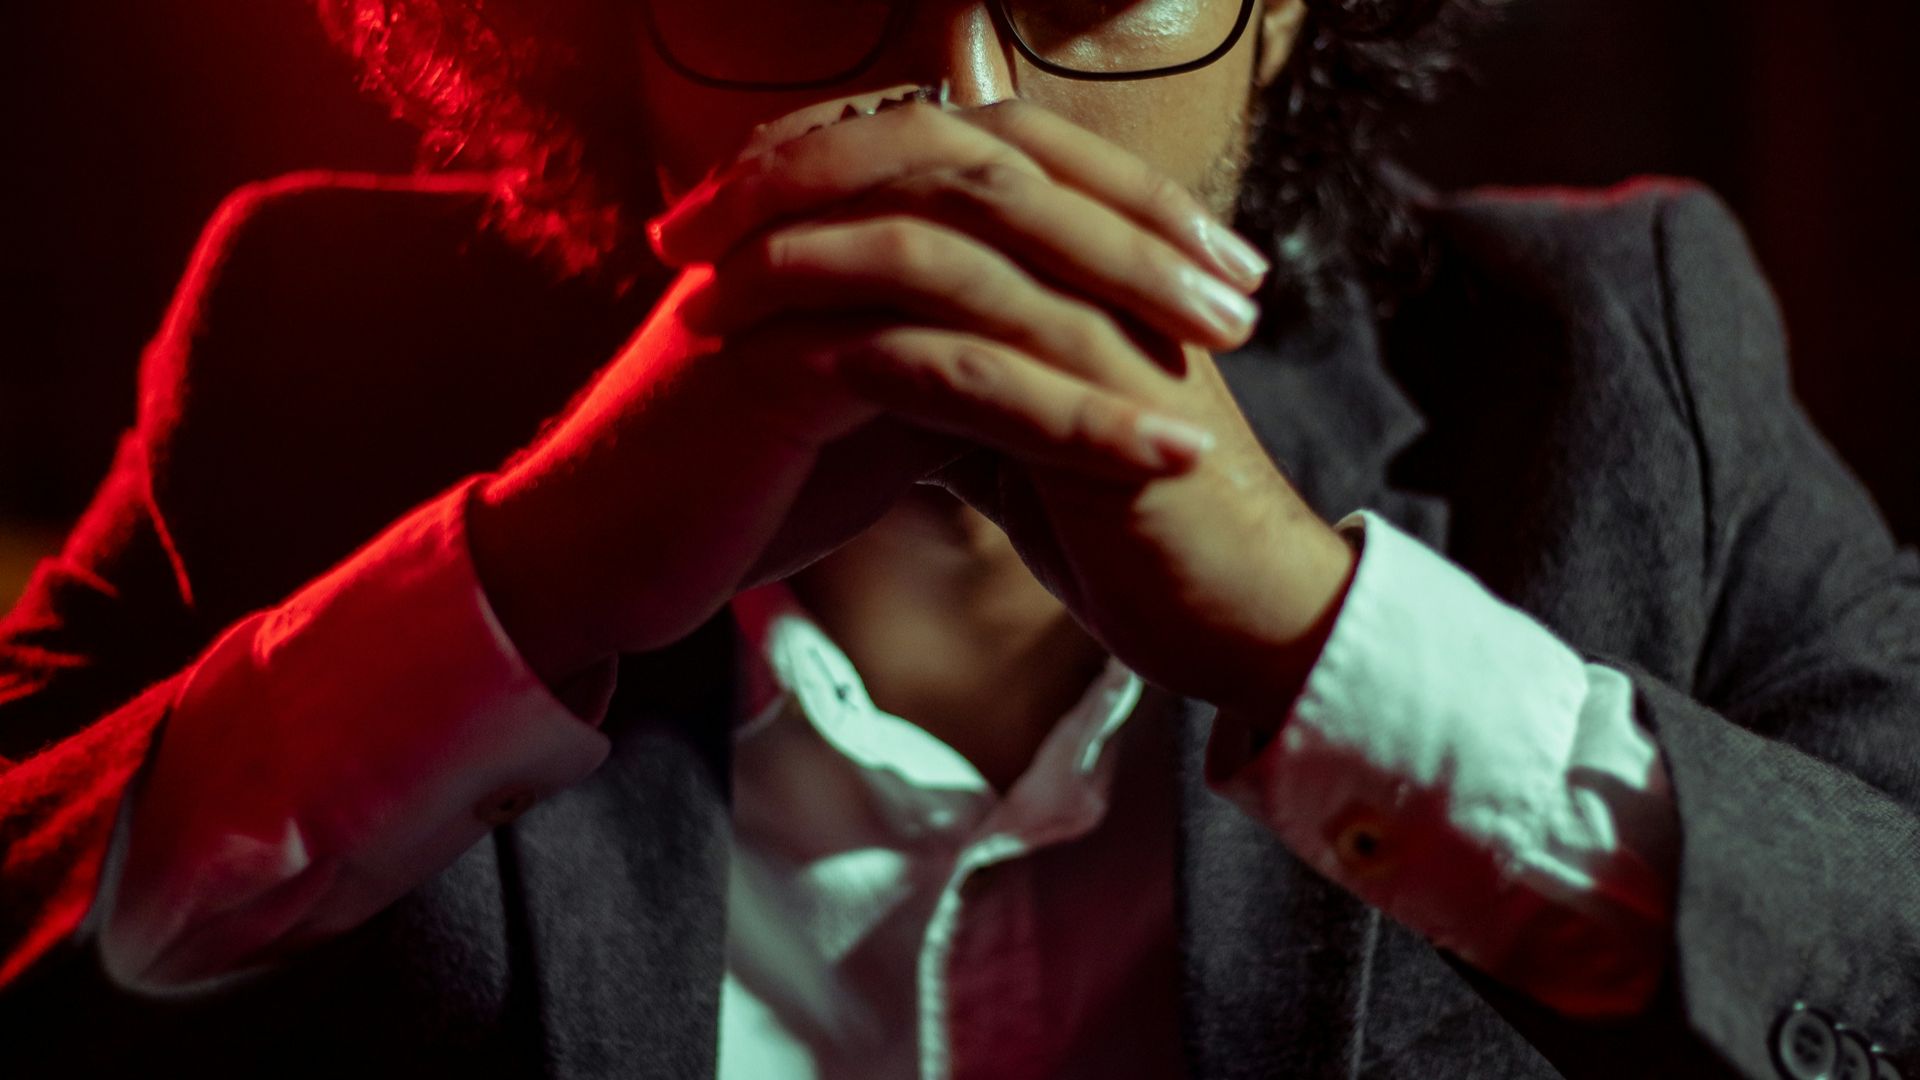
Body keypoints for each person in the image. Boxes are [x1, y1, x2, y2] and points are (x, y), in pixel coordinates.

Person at [0, 0, 1914, 1076]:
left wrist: (1319, 641)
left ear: (1289, 27)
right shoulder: (305, 347)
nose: (966, 121)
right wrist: (519, 584)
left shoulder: (1616, 354)